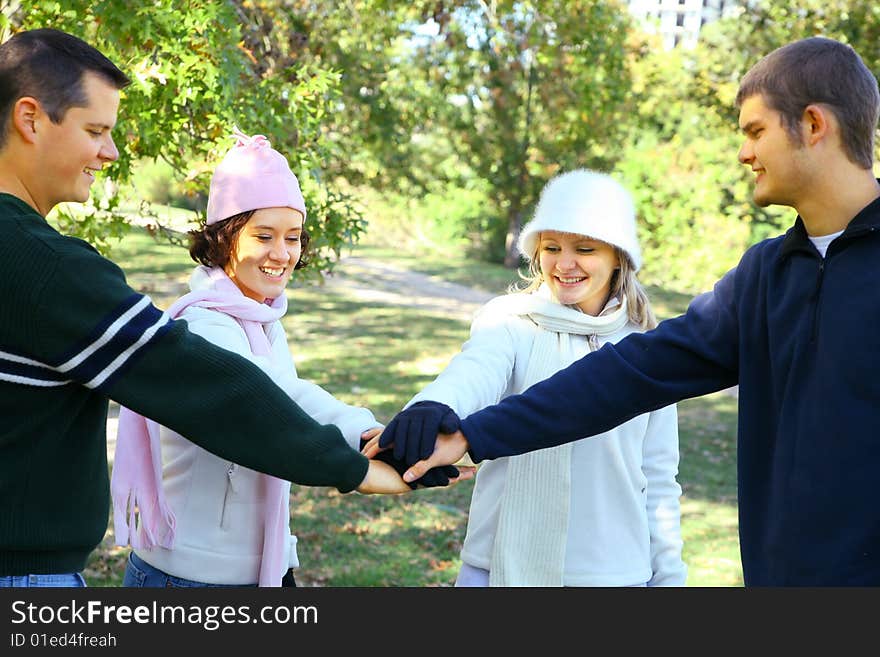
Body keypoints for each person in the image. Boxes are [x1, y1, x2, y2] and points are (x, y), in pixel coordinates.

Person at [378, 36, 880, 586]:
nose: (744, 153)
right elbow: (628, 374)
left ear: (812, 125)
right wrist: (468, 433)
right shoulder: (765, 275)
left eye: (756, 131)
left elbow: (658, 474)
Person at [0, 28, 415, 589]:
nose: (111, 152)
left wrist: (364, 434)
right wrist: (358, 469)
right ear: (30, 119)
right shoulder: (43, 265)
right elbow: (209, 388)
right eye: (95, 130)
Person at [369, 170, 686, 587]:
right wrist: (433, 406)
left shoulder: (646, 348)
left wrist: (669, 577)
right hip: (498, 569)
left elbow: (658, 476)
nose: (564, 263)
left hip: (613, 575)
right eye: (551, 247)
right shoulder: (511, 321)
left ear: (618, 256)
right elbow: (474, 372)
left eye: (584, 248)